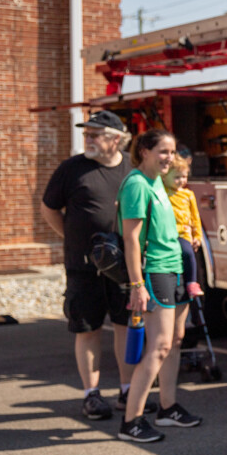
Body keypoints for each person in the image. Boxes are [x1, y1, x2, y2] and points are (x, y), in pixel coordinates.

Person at [41, 110, 157, 420]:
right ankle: (91, 395)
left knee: (124, 325)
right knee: (88, 329)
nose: (87, 139)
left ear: (116, 139)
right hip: (83, 266)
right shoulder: (72, 169)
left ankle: (127, 389)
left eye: (95, 134)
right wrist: (73, 236)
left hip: (122, 266)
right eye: (86, 134)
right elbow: (49, 209)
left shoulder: (133, 171)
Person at [118, 128, 203, 442]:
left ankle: (168, 409)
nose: (169, 158)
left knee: (176, 340)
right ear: (144, 151)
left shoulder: (157, 182)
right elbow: (130, 239)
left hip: (175, 269)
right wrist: (137, 284)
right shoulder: (137, 184)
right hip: (155, 272)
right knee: (159, 347)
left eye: (172, 152)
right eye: (163, 152)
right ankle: (132, 422)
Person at [161, 154, 204, 297]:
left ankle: (192, 282)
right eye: (177, 177)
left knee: (188, 253)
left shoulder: (188, 194)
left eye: (184, 177)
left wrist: (197, 236)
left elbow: (195, 217)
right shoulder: (163, 192)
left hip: (183, 233)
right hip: (166, 233)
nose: (181, 181)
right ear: (164, 177)